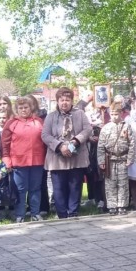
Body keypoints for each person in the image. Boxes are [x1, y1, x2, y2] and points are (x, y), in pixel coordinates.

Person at [41, 87, 93, 219]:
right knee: (59, 188)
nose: (64, 102)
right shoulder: (50, 117)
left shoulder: (80, 114)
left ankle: (73, 212)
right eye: (62, 100)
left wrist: (74, 142)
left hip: (77, 156)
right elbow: (45, 135)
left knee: (75, 186)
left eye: (67, 100)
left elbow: (87, 130)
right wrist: (61, 147)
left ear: (71, 101)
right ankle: (62, 214)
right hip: (57, 158)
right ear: (57, 101)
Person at [1, 97, 46, 223]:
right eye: (20, 108)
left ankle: (35, 213)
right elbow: (4, 144)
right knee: (20, 190)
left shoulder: (38, 122)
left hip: (37, 160)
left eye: (26, 107)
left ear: (31, 108)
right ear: (16, 109)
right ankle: (20, 215)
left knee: (35, 188)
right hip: (18, 162)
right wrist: (6, 160)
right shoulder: (11, 123)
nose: (23, 110)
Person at [98, 101, 134, 215]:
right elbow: (100, 146)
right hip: (110, 159)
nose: (114, 116)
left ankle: (122, 205)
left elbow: (132, 143)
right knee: (110, 184)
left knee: (123, 183)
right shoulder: (106, 128)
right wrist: (101, 161)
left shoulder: (126, 127)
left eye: (116, 114)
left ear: (121, 114)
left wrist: (130, 158)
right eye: (112, 114)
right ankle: (112, 206)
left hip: (123, 158)